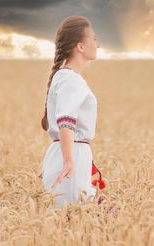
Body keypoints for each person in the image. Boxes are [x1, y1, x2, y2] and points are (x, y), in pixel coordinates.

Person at [39, 15, 105, 210]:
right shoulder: (71, 80)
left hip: (67, 153)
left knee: (73, 220)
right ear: (80, 47)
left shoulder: (64, 77)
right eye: (93, 38)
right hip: (72, 155)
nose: (97, 44)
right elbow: (65, 121)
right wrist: (68, 161)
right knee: (80, 218)